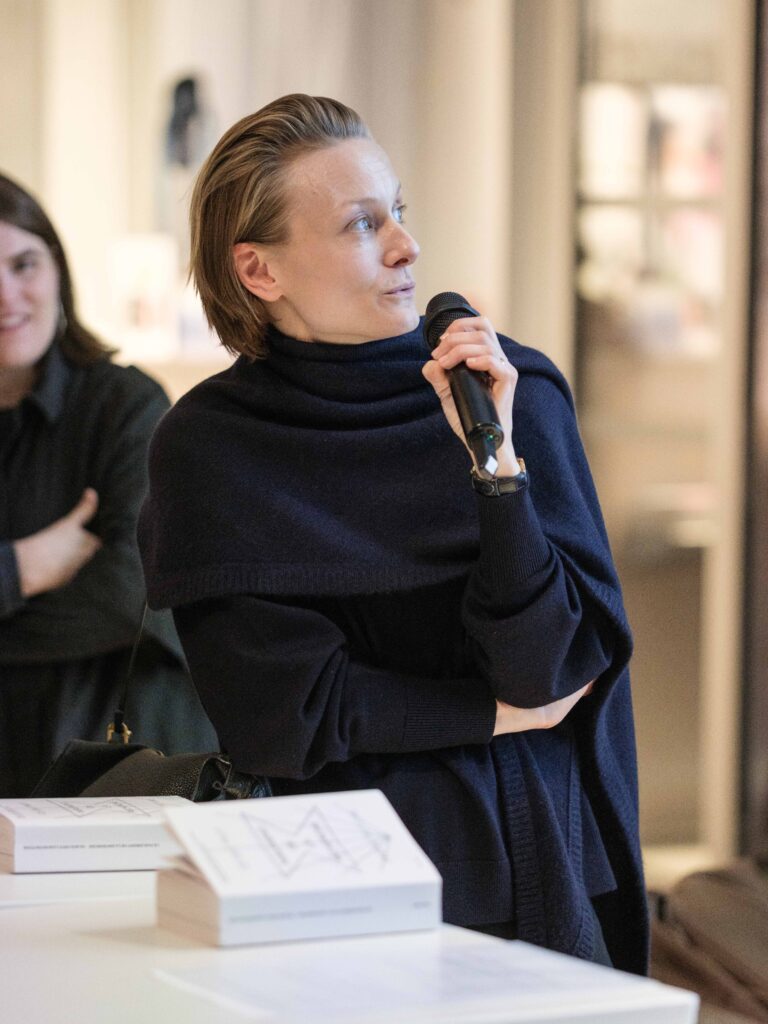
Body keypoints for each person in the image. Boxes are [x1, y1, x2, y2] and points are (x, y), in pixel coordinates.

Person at [138, 95, 648, 972]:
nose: (407, 245)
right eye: (362, 224)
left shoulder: (511, 391)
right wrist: (489, 713)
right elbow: (281, 718)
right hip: (321, 875)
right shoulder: (211, 446)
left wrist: (497, 470)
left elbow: (550, 670)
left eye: (399, 211)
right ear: (259, 270)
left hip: (533, 867)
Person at [0, 172, 217, 798]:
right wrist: (26, 566)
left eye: (23, 264)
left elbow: (128, 591)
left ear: (58, 271)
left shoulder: (127, 405)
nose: (7, 295)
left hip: (110, 761)